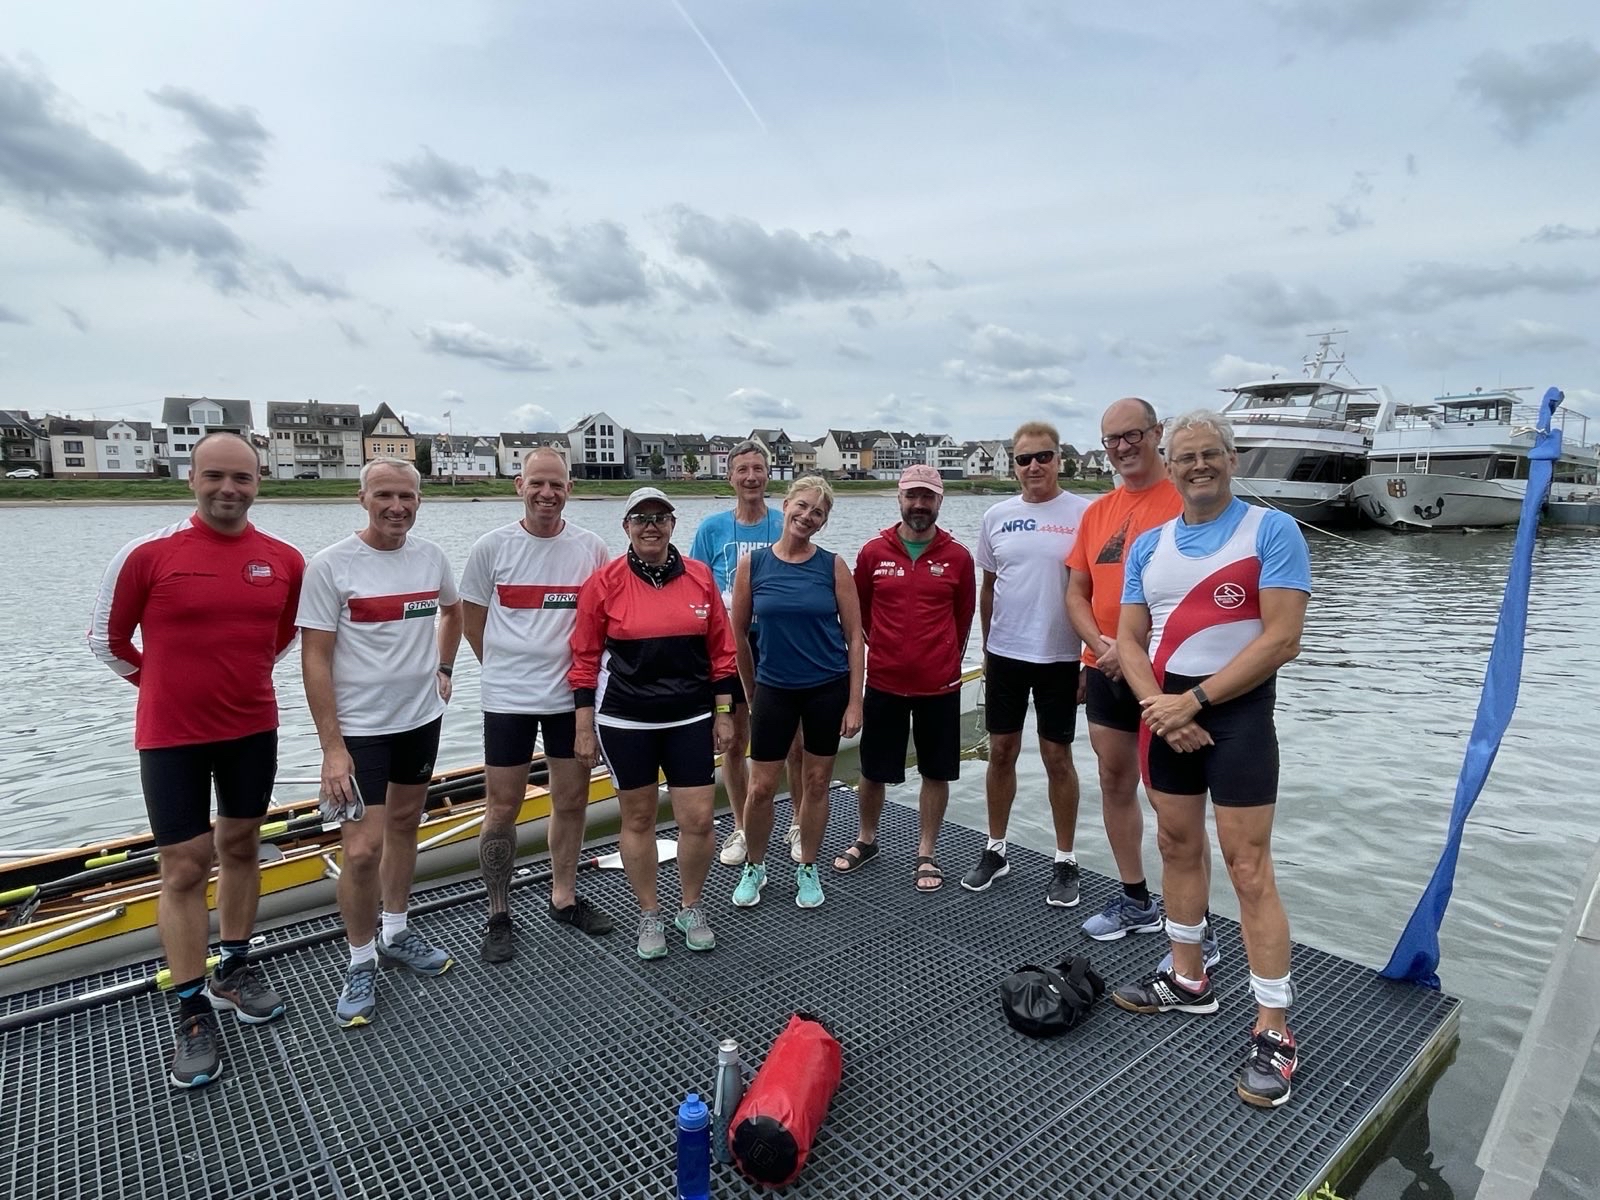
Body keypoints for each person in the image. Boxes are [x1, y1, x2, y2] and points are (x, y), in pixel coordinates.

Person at [88, 431, 304, 1089]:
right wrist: (161, 686)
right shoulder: (148, 553)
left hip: (251, 728)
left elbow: (285, 634)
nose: (228, 489)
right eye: (215, 476)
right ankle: (189, 1007)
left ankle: (234, 968)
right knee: (184, 867)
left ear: (258, 481)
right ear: (192, 478)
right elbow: (105, 639)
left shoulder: (285, 560)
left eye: (241, 478)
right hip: (171, 735)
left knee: (241, 846)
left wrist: (238, 676)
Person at [1109, 409, 1312, 1110]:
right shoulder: (1150, 544)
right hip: (1166, 711)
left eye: (1210, 454)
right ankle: (1187, 979)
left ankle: (1275, 1029)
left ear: (1232, 459)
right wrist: (1159, 706)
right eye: (1185, 456)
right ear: (1168, 465)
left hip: (1236, 714)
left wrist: (1193, 703)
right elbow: (1129, 639)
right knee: (1175, 844)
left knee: (1248, 867)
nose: (1197, 465)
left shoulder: (1271, 531)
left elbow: (1282, 638)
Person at [298, 458, 464, 1028]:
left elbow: (452, 611)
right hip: (359, 733)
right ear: (362, 498)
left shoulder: (431, 558)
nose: (398, 507)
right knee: (362, 849)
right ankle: (360, 957)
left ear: (420, 500)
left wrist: (443, 666)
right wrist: (331, 748)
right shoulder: (331, 567)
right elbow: (314, 659)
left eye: (408, 497)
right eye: (385, 495)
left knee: (404, 827)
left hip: (419, 719)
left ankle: (396, 931)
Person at [568, 486, 737, 960]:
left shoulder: (701, 577)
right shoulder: (604, 582)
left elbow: (721, 653)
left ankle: (691, 906)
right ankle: (649, 912)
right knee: (638, 818)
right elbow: (583, 657)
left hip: (691, 715)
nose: (651, 525)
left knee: (699, 819)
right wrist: (584, 724)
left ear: (673, 526)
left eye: (660, 517)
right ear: (626, 527)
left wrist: (724, 714)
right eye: (641, 517)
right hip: (626, 719)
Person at [459, 448, 613, 963]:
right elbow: (471, 620)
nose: (547, 494)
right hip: (508, 698)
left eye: (557, 485)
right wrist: (502, 669)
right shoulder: (491, 548)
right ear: (518, 486)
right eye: (537, 484)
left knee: (570, 801)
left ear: (571, 489)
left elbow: (604, 621)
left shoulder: (591, 549)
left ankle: (563, 896)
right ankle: (498, 913)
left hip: (570, 698)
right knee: (502, 807)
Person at [1068, 398, 1209, 954]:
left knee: (1174, 798)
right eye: (1111, 439)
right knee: (1114, 781)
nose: (1122, 447)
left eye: (1132, 435)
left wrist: (1132, 650)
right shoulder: (1097, 511)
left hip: (1167, 671)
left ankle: (1196, 921)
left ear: (1157, 434)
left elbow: (1203, 594)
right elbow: (1075, 592)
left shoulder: (1187, 500)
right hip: (1103, 666)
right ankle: (1135, 898)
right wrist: (1103, 646)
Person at [960, 422, 1090, 906]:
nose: (1034, 466)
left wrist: (1089, 659)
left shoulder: (1085, 513)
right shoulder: (996, 515)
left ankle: (1065, 858)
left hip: (1060, 656)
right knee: (1000, 753)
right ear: (1013, 465)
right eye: (1023, 459)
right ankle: (996, 849)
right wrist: (988, 649)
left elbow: (1098, 590)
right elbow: (990, 588)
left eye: (1044, 457)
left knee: (1058, 757)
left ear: (1059, 460)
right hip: (1007, 656)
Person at [835, 464, 975, 892]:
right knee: (873, 770)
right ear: (899, 498)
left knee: (936, 772)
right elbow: (857, 617)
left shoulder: (958, 557)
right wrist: (887, 650)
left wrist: (946, 659)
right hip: (884, 682)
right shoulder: (874, 553)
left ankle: (926, 851)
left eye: (927, 497)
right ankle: (867, 838)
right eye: (912, 496)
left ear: (939, 501)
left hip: (940, 686)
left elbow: (963, 618)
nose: (919, 505)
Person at [729, 476, 864, 911]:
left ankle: (807, 866)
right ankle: (756, 864)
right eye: (802, 506)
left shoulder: (833, 566)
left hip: (826, 687)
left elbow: (855, 637)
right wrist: (752, 694)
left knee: (817, 781)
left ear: (823, 523)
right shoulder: (753, 566)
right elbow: (739, 637)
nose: (807, 516)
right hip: (774, 689)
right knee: (761, 788)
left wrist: (855, 701)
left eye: (818, 513)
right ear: (785, 506)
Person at [686, 439, 804, 867]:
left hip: (779, 644)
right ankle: (739, 826)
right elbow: (696, 588)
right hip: (730, 646)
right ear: (730, 476)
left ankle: (795, 821)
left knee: (794, 742)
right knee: (733, 742)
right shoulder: (712, 530)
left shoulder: (784, 524)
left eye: (758, 468)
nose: (751, 477)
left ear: (767, 474)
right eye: (743, 470)